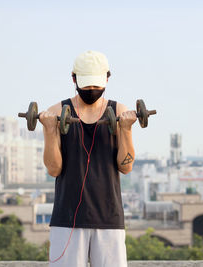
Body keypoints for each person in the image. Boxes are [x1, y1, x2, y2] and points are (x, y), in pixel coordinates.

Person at [40, 50, 136, 267]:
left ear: (107, 79)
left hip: (109, 218)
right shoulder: (56, 111)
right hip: (67, 220)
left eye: (96, 86)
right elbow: (54, 169)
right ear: (74, 78)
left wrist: (127, 130)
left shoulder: (119, 111)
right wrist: (49, 131)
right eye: (87, 86)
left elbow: (126, 167)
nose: (91, 91)